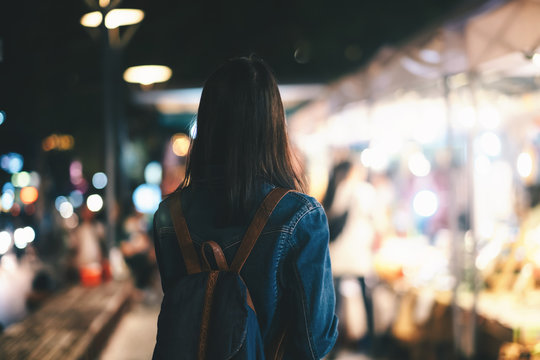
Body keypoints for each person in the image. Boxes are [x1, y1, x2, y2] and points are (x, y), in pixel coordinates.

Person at [152, 56, 338, 359]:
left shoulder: (167, 216)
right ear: (273, 126)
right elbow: (314, 339)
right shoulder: (300, 215)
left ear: (208, 122)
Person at [323, 158, 376, 353]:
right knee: (365, 295)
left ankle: (333, 343)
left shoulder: (344, 188)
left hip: (340, 252)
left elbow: (333, 214)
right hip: (360, 251)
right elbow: (376, 219)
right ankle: (369, 340)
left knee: (334, 300)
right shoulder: (367, 190)